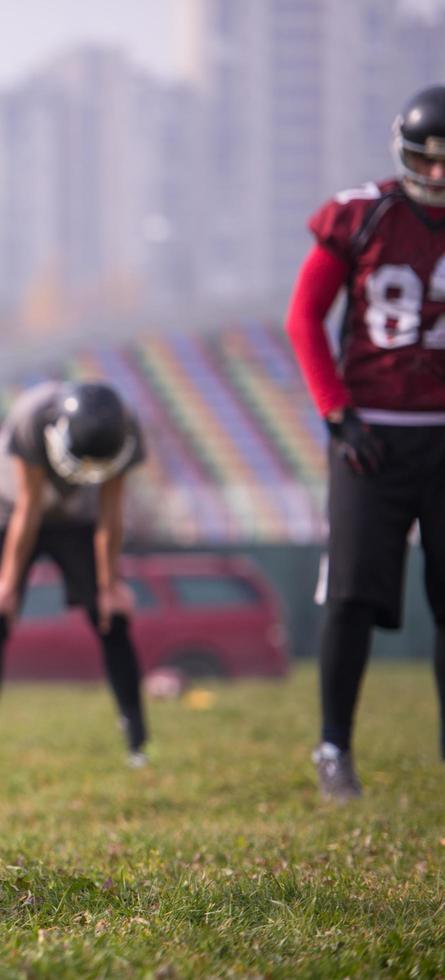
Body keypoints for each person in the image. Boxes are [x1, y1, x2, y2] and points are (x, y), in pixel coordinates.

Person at [284, 85, 445, 803]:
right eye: (425, 159)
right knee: (349, 596)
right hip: (370, 435)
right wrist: (336, 413)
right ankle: (332, 749)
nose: (437, 175)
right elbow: (302, 318)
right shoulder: (362, 214)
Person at [0, 379, 149, 772]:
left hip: (73, 517)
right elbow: (27, 507)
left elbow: (110, 512)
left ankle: (139, 743)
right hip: (6, 510)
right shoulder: (32, 415)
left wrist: (109, 583)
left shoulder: (124, 429)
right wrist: (8, 585)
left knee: (110, 615)